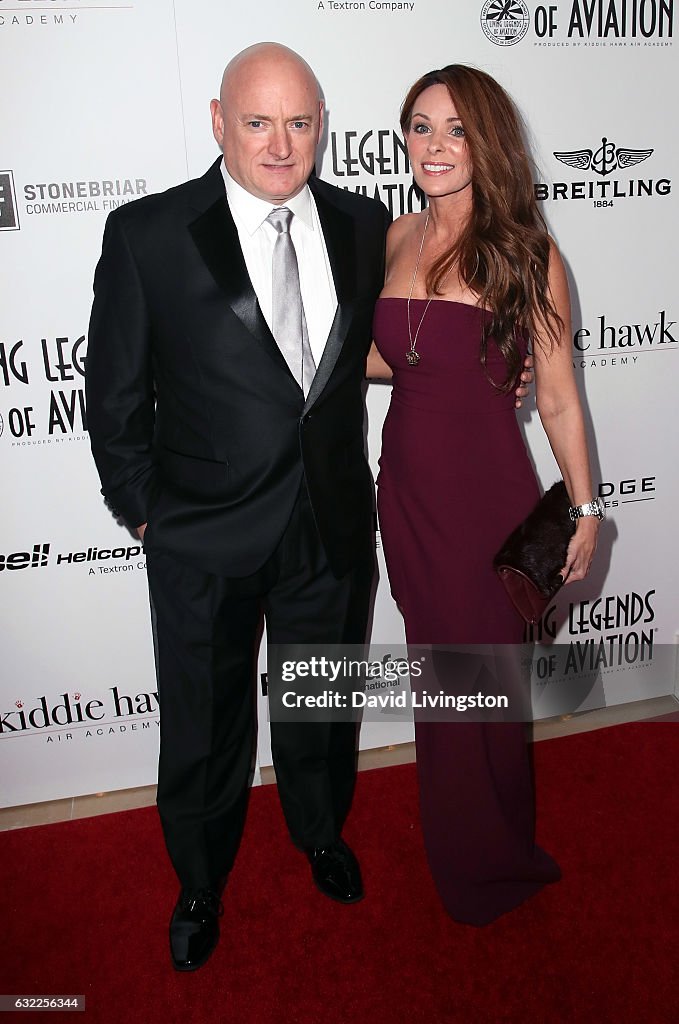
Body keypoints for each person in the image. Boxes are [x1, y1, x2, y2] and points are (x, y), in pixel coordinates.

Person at [86, 43, 533, 971]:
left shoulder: (366, 225)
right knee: (204, 720)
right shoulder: (149, 235)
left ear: (322, 125)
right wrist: (143, 514)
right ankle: (200, 882)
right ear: (219, 122)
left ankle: (320, 835)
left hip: (327, 526)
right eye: (257, 122)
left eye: (299, 121)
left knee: (318, 707)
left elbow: (415, 335)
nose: (280, 144)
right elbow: (115, 396)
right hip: (201, 533)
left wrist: (504, 364)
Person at [367, 65, 601, 925]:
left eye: (456, 130)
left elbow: (558, 396)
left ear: (488, 142)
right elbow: (389, 354)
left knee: (487, 686)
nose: (434, 146)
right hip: (409, 496)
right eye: (420, 128)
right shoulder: (393, 236)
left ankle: (495, 855)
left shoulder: (528, 253)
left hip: (486, 497)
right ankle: (459, 849)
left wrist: (584, 508)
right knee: (442, 680)